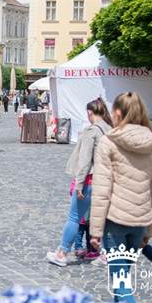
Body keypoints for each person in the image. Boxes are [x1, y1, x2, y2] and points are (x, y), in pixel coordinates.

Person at [90, 92, 152, 303]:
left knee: (121, 282)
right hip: (139, 220)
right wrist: (149, 229)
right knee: (123, 276)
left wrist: (95, 230)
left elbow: (102, 189)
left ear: (118, 113)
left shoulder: (108, 142)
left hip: (116, 220)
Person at [47, 98, 112, 267]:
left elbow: (84, 162)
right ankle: (106, 254)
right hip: (106, 181)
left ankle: (62, 253)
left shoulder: (92, 131)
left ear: (90, 113)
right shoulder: (110, 129)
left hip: (90, 181)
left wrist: (79, 184)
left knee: (74, 217)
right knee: (103, 219)